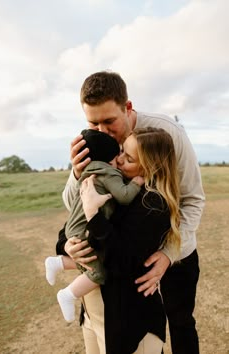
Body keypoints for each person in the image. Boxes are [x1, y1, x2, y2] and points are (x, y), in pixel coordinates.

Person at [63, 71, 205, 354]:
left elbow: (193, 199)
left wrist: (168, 254)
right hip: (125, 249)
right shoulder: (94, 142)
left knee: (180, 321)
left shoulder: (168, 134)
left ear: (127, 109)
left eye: (109, 121)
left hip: (174, 247)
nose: (102, 131)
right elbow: (75, 204)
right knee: (141, 323)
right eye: (93, 122)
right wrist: (78, 173)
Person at [80, 127, 181, 354]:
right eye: (122, 151)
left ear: (150, 167)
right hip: (93, 312)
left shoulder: (152, 203)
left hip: (129, 324)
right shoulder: (117, 185)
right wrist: (64, 245)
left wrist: (93, 216)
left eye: (129, 158)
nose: (119, 159)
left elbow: (121, 261)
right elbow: (74, 223)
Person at [45, 129, 143, 323]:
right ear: (110, 160)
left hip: (73, 227)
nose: (119, 162)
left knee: (91, 257)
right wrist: (137, 183)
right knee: (98, 272)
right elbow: (124, 196)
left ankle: (57, 263)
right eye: (117, 157)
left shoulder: (88, 173)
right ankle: (68, 294)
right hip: (85, 229)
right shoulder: (108, 173)